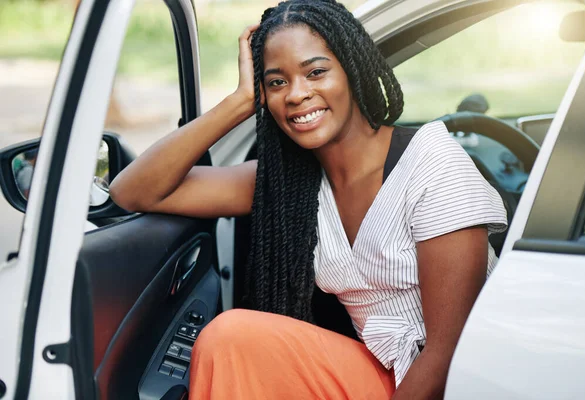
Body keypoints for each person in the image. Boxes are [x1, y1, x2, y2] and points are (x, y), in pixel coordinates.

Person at [109, 0, 507, 398]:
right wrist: (238, 103)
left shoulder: (432, 164)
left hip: (460, 382)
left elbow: (446, 354)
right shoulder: (293, 184)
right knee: (229, 338)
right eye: (277, 82)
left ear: (352, 69)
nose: (297, 94)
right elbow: (134, 191)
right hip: (380, 375)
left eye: (315, 72)